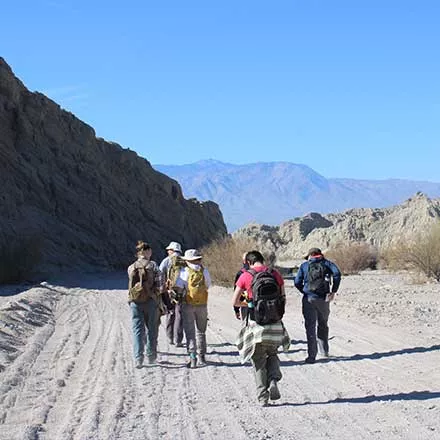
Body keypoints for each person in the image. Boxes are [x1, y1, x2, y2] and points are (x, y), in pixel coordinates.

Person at [233, 250, 290, 407]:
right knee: (272, 354)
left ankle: (263, 397)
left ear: (249, 262)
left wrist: (249, 303)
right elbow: (283, 297)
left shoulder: (246, 276)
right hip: (274, 323)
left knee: (258, 361)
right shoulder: (275, 273)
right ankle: (273, 379)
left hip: (256, 324)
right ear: (262, 260)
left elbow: (235, 301)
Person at [294, 247, 341, 364]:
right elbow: (337, 274)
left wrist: (304, 291)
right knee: (323, 324)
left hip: (308, 299)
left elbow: (296, 282)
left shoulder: (304, 266)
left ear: (309, 255)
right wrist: (333, 291)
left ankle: (311, 356)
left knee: (310, 327)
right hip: (324, 298)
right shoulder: (327, 263)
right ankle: (324, 351)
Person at [127, 241, 163, 368]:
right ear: (147, 252)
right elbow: (160, 286)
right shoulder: (153, 266)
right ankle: (151, 355)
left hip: (135, 302)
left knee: (137, 329)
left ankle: (138, 358)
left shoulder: (131, 267)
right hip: (150, 301)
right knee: (152, 329)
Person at [175, 249, 211, 368]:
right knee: (201, 331)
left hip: (188, 304)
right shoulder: (204, 271)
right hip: (202, 304)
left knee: (190, 332)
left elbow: (179, 287)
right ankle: (202, 356)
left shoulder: (184, 271)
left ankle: (193, 358)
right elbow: (208, 285)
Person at [159, 241, 185, 347]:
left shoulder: (166, 261)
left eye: (169, 250)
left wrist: (163, 289)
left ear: (173, 250)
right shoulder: (184, 261)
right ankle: (178, 339)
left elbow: (160, 273)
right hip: (182, 291)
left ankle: (170, 337)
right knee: (180, 314)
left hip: (170, 291)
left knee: (170, 312)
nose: (168, 251)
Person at [233, 252, 249, 321]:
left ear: (244, 261)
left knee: (247, 327)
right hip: (260, 305)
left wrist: (236, 309)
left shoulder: (241, 273)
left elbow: (237, 292)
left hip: (245, 304)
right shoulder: (260, 272)